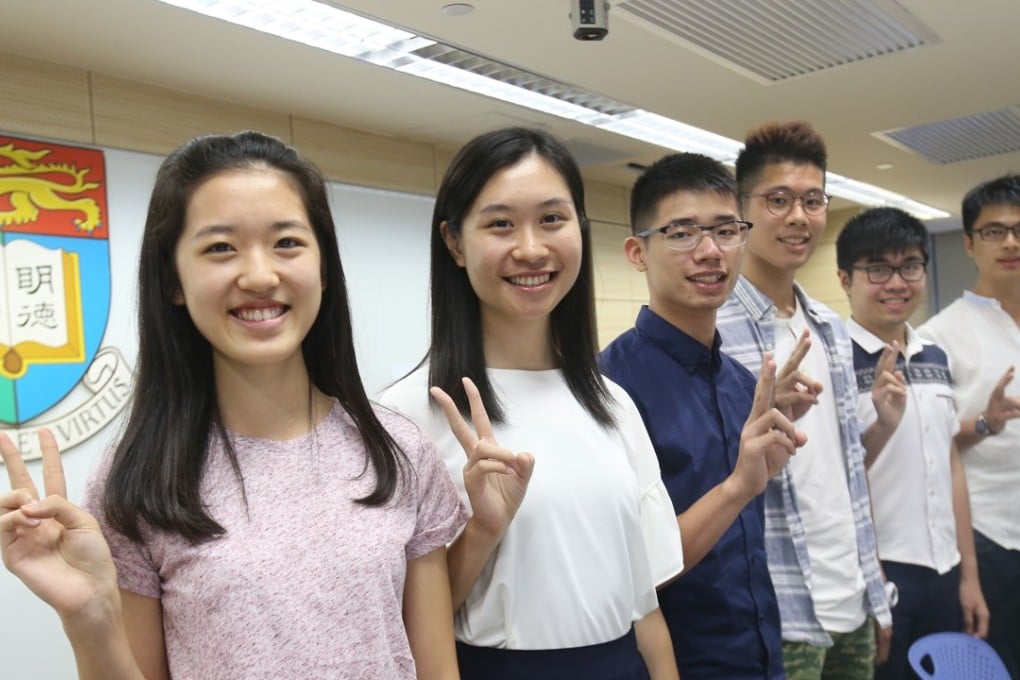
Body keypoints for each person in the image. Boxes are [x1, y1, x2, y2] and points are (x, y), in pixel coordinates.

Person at [0, 131, 468, 680]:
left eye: (287, 243)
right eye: (221, 247)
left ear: (323, 267)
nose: (260, 275)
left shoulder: (397, 449)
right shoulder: (140, 479)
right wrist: (88, 618)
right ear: (174, 280)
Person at [380, 127, 684, 680]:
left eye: (552, 219)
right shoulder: (405, 417)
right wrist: (481, 534)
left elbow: (646, 612)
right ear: (453, 242)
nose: (531, 248)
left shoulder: (613, 404)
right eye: (500, 223)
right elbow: (394, 629)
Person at [598, 152, 808, 679]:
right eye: (682, 233)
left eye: (725, 231)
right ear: (637, 252)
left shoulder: (742, 384)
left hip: (761, 656)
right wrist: (739, 485)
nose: (710, 252)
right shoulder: (608, 388)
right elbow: (629, 570)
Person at [716, 121, 893, 679]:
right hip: (777, 607)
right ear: (741, 209)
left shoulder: (830, 328)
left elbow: (843, 471)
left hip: (853, 596)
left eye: (813, 200)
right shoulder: (714, 329)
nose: (799, 216)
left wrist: (875, 583)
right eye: (778, 200)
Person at [836, 206, 989, 679]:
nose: (897, 283)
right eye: (878, 269)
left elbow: (950, 466)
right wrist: (872, 580)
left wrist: (969, 575)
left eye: (910, 266)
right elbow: (835, 481)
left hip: (943, 568)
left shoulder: (934, 355)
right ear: (845, 279)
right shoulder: (833, 362)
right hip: (879, 573)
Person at [918, 173, 1020, 678]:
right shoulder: (940, 333)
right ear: (969, 243)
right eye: (994, 231)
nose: (1011, 243)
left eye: (1019, 230)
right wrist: (985, 422)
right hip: (989, 538)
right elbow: (927, 443)